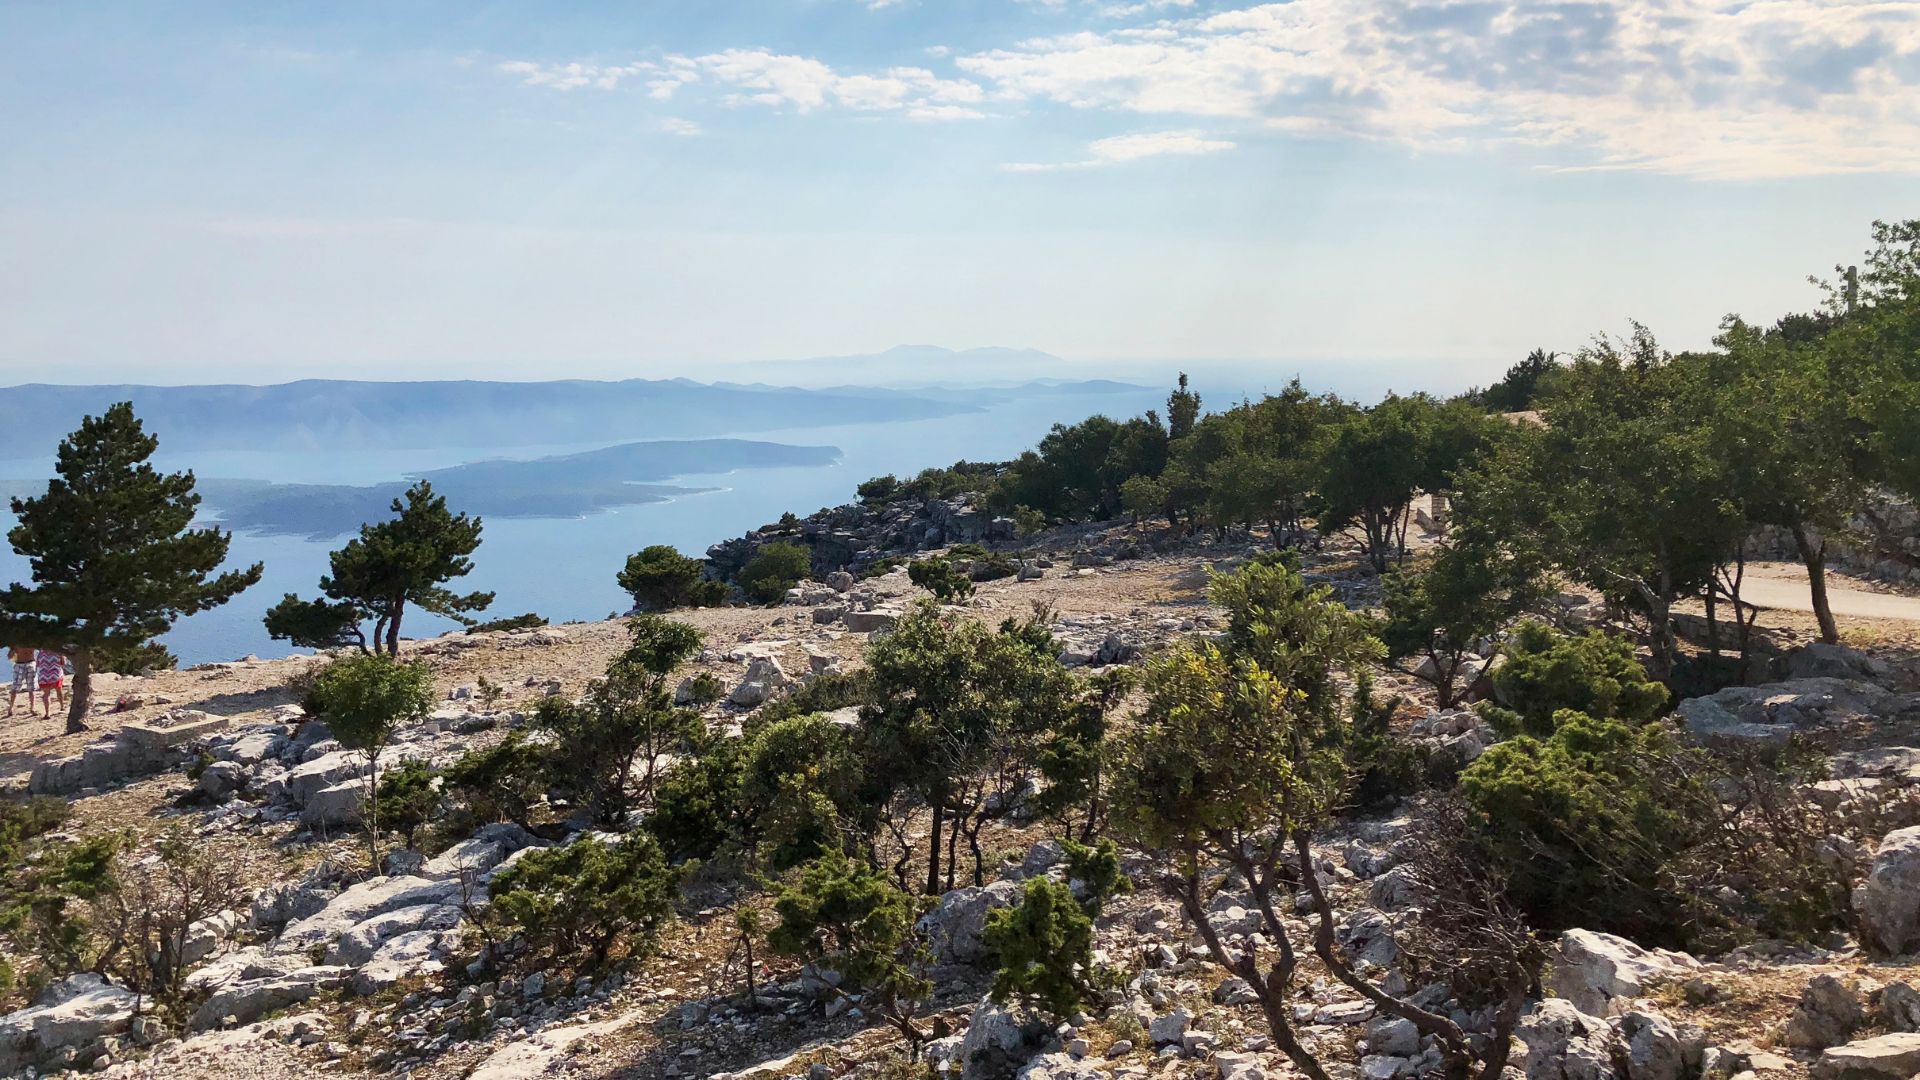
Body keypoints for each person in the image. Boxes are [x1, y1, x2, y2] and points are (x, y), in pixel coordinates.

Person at [36, 648, 66, 718]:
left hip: (44, 676)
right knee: (59, 690)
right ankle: (62, 706)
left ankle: (47, 713)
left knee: (46, 694)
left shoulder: (41, 652)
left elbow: (38, 664)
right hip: (56, 674)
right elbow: (63, 663)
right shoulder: (58, 651)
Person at [7, 645, 35, 717]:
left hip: (30, 663)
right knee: (15, 687)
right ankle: (10, 708)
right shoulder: (17, 642)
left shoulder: (32, 640)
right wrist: (13, 649)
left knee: (31, 687)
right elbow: (9, 656)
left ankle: (32, 707)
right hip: (20, 664)